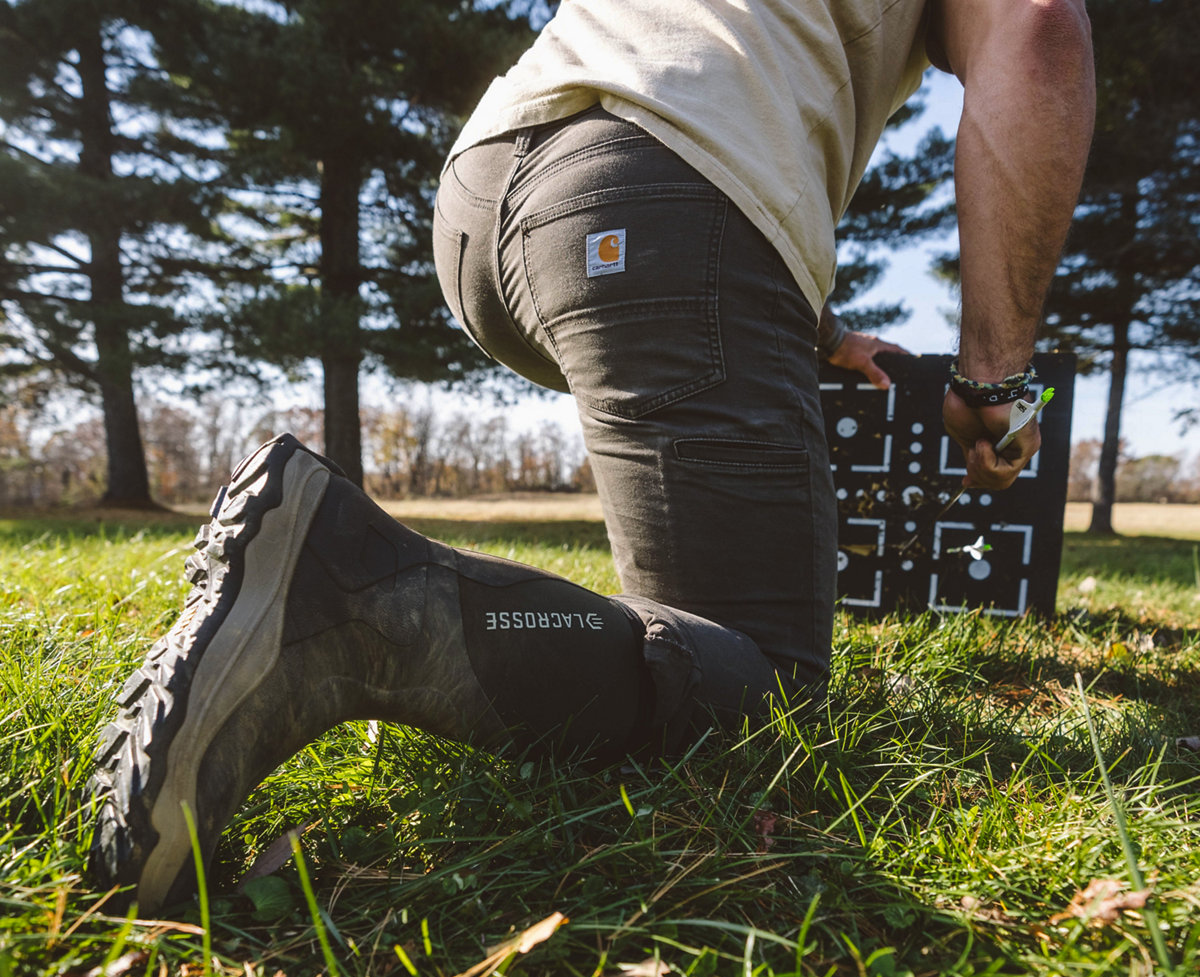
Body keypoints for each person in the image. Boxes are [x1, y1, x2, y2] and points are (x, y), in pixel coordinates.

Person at [88, 0, 1095, 913]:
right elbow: (1037, 29)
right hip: (667, 189)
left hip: (494, 196)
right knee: (766, 692)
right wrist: (996, 376)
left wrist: (824, 334)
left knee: (693, 641)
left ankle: (359, 596)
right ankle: (356, 602)